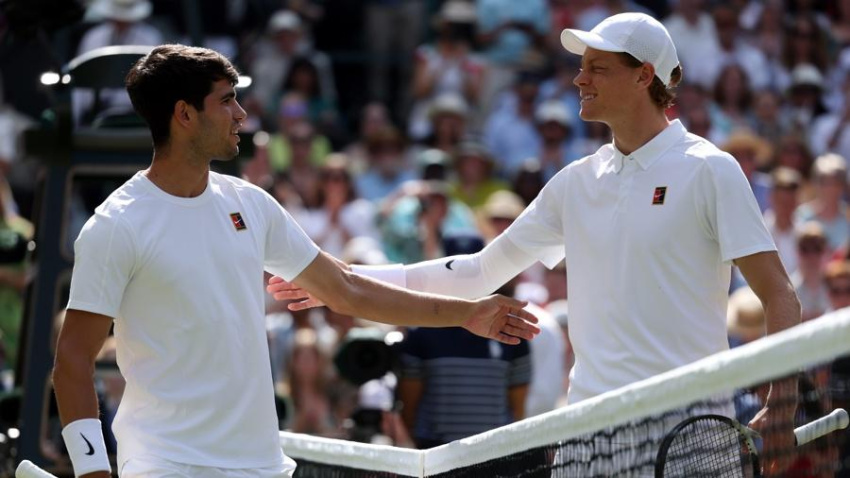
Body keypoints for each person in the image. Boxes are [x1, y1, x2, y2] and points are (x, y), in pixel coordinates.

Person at [269, 13, 802, 474]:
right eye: (581, 66)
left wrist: (782, 403)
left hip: (691, 434)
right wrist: (339, 282)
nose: (578, 78)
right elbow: (477, 272)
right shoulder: (575, 181)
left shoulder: (710, 169)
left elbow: (779, 294)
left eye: (597, 67)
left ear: (644, 76)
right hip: (589, 434)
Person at [51, 44, 540, 478]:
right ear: (184, 114)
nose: (242, 114)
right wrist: (93, 470)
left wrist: (466, 314)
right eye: (226, 100)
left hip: (261, 464)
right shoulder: (116, 224)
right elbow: (72, 361)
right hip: (166, 464)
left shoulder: (253, 204)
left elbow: (346, 288)